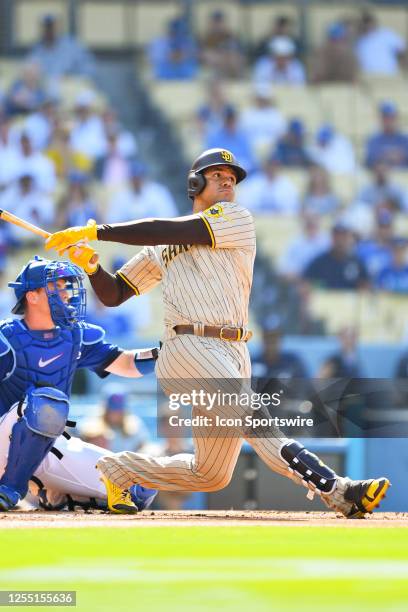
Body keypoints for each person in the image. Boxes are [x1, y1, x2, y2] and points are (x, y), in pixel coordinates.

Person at [46, 147, 390, 519]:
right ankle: (338, 490)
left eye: (232, 178)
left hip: (234, 349)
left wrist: (99, 231)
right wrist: (93, 267)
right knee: (255, 420)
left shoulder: (235, 217)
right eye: (218, 175)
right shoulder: (161, 245)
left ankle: (120, 470)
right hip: (187, 345)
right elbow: (114, 294)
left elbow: (174, 228)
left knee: (210, 474)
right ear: (195, 183)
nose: (228, 181)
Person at [0, 256, 158, 513]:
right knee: (46, 405)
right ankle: (9, 489)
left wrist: (167, 354)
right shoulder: (6, 338)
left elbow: (126, 363)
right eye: (56, 286)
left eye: (66, 286)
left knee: (137, 485)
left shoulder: (76, 335)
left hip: (46, 445)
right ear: (32, 296)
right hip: (3, 442)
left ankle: (56, 493)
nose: (66, 293)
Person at [303, 222, 370, 290]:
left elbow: (365, 286)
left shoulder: (357, 263)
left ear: (350, 239)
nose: (340, 240)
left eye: (344, 236)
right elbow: (306, 283)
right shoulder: (319, 262)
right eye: (337, 236)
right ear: (332, 238)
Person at [26, 14, 95, 79]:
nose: (49, 30)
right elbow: (28, 72)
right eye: (46, 27)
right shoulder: (37, 49)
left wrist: (72, 78)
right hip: (46, 89)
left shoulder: (72, 46)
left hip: (71, 87)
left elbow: (90, 70)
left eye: (52, 26)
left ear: (59, 27)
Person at [355, 12, 406, 76]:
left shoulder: (386, 34)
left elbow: (401, 51)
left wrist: (403, 68)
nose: (367, 26)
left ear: (374, 23)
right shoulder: (358, 39)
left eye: (369, 23)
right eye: (364, 23)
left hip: (388, 74)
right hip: (366, 75)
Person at [365, 102, 408, 169]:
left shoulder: (405, 138)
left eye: (391, 117)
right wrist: (388, 156)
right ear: (380, 119)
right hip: (383, 178)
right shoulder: (373, 140)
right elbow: (369, 161)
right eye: (385, 118)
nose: (388, 121)